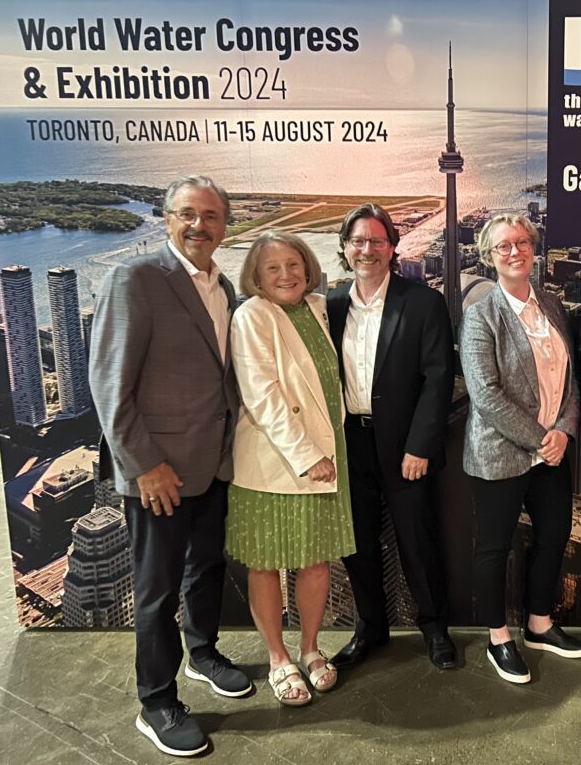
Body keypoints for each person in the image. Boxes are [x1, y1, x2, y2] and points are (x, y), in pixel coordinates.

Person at [89, 175, 251, 757]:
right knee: (156, 591)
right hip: (159, 473)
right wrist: (144, 465)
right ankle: (156, 700)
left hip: (212, 465)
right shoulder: (135, 279)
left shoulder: (223, 286)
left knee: (205, 569)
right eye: (187, 213)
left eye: (210, 215)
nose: (199, 225)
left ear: (225, 225)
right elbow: (109, 384)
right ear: (166, 218)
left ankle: (203, 654)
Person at [227, 231, 357, 706]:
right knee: (266, 564)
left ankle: (309, 648)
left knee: (315, 559)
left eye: (293, 264)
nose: (286, 274)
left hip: (327, 454)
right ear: (256, 277)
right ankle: (278, 658)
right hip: (274, 461)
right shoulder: (252, 315)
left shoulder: (320, 307)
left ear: (308, 267)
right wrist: (308, 457)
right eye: (272, 268)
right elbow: (263, 397)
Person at [459, 213, 581, 684]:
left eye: (522, 242)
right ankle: (498, 637)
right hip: (501, 453)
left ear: (534, 248)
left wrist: (565, 433)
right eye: (503, 247)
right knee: (494, 549)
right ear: (488, 256)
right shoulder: (481, 315)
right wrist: (542, 438)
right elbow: (486, 394)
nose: (514, 252)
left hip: (552, 452)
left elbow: (572, 378)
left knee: (553, 536)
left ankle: (539, 624)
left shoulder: (552, 305)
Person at [326, 204, 457, 670]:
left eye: (376, 241)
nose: (367, 250)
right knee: (357, 540)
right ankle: (371, 628)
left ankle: (434, 626)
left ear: (392, 247)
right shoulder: (332, 304)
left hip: (404, 446)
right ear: (345, 248)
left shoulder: (421, 303)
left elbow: (438, 378)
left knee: (415, 538)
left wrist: (419, 445)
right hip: (350, 442)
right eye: (357, 241)